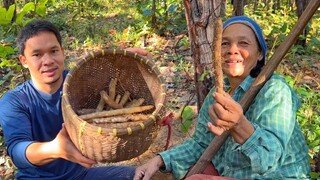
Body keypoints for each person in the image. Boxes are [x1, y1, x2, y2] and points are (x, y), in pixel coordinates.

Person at [134, 16, 310, 179]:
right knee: (182, 171)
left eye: (243, 43)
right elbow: (201, 144)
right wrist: (159, 160)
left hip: (276, 176)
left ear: (260, 54)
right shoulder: (217, 94)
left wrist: (239, 125)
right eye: (225, 44)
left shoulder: (274, 90)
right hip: (235, 172)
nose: (233, 50)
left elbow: (270, 160)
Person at [0, 19, 149, 179]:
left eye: (54, 51)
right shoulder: (15, 101)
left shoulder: (77, 83)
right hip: (36, 178)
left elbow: (109, 75)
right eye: (37, 54)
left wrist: (125, 62)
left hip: (80, 175)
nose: (48, 61)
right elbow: (18, 151)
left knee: (141, 175)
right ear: (24, 61)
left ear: (62, 52)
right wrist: (54, 149)